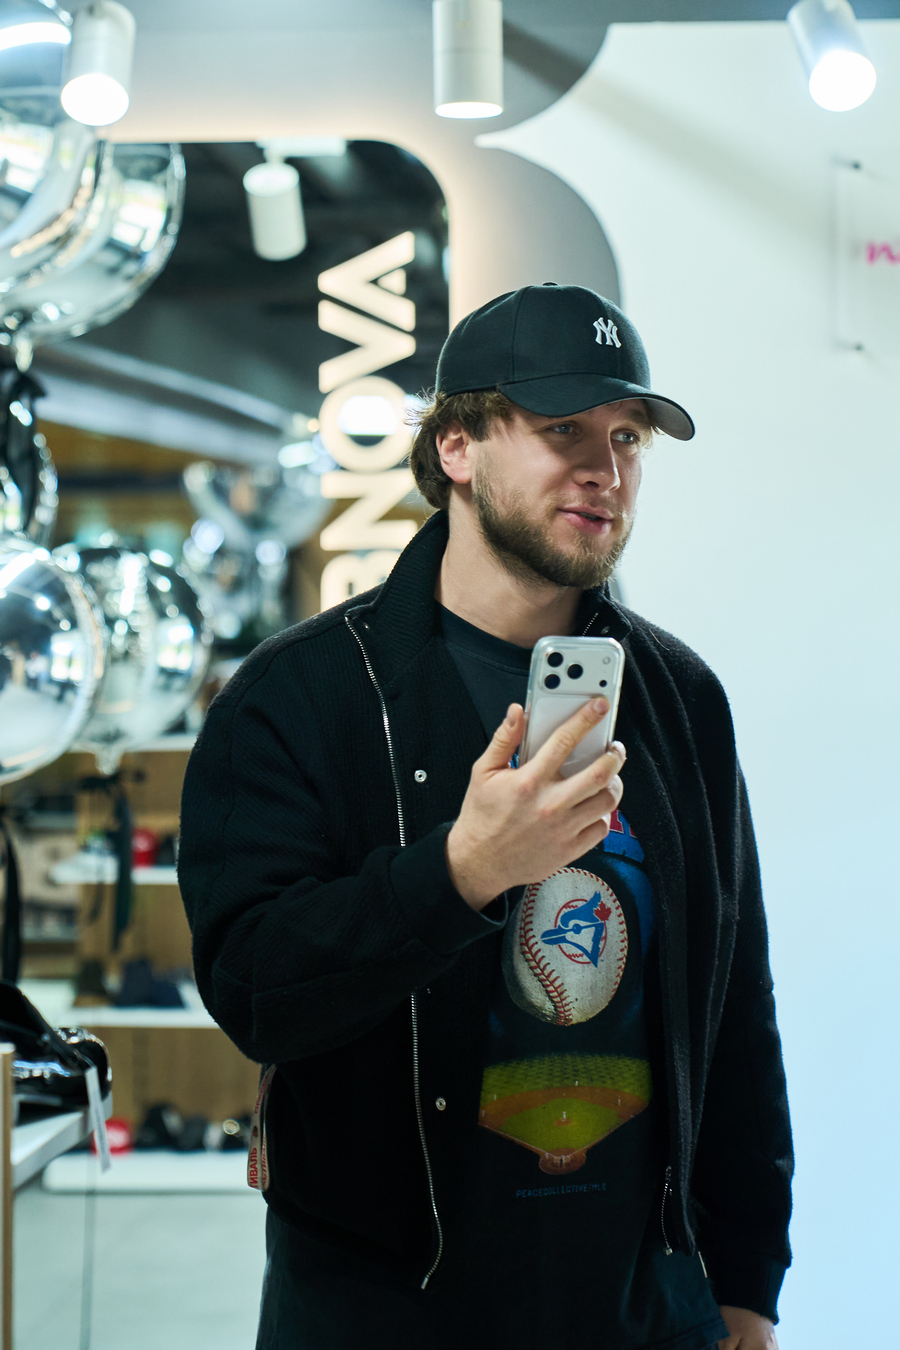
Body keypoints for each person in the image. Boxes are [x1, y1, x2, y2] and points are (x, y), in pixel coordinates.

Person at [179, 284, 792, 1350]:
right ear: (455, 446)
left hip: (640, 1303)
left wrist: (748, 1277)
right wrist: (459, 873)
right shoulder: (299, 695)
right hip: (387, 1306)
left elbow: (734, 998)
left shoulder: (679, 697)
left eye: (627, 437)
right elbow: (254, 990)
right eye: (563, 430)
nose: (605, 470)